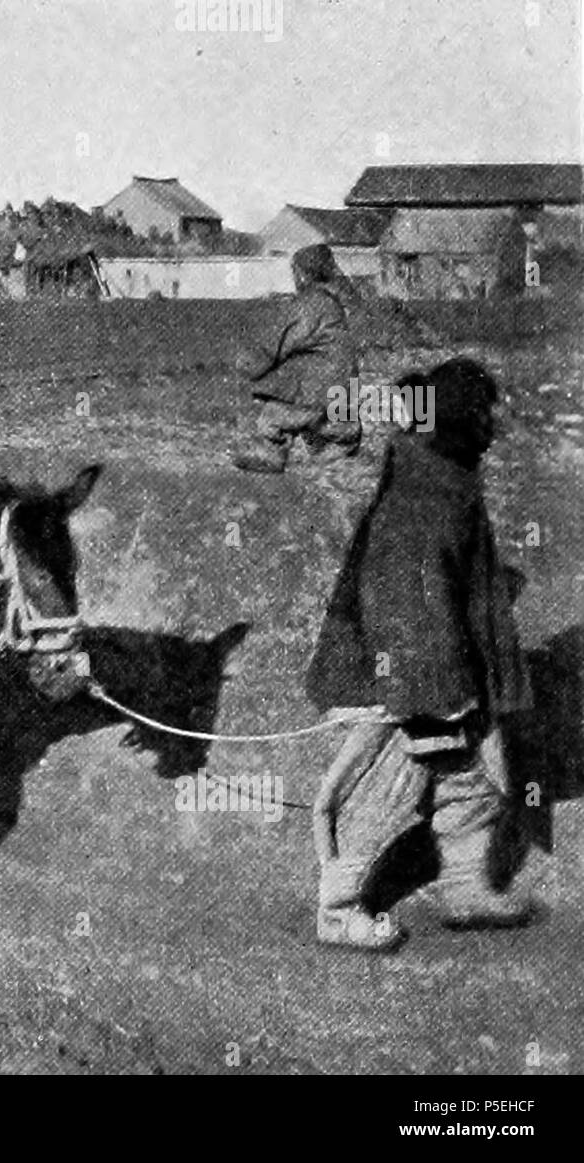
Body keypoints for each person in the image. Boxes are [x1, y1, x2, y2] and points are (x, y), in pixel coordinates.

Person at [304, 357, 535, 951]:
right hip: (407, 680)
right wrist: (424, 694)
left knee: (473, 781)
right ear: (458, 416)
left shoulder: (447, 477)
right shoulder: (419, 496)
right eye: (484, 413)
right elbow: (404, 602)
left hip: (447, 675)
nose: (492, 425)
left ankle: (462, 885)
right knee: (386, 790)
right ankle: (339, 909)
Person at [232, 243, 361, 473]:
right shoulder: (332, 301)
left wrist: (248, 365)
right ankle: (339, 438)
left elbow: (277, 343)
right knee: (313, 408)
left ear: (302, 274)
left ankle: (271, 450)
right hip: (342, 387)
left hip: (321, 386)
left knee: (273, 416)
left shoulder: (310, 305)